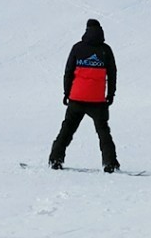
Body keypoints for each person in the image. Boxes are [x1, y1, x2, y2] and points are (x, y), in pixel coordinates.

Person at [49, 18, 119, 173]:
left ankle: (55, 159)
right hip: (97, 100)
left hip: (77, 98)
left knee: (67, 130)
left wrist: (66, 93)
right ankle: (110, 163)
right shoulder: (106, 50)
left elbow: (68, 72)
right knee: (103, 132)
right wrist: (111, 94)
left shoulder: (77, 48)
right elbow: (113, 74)